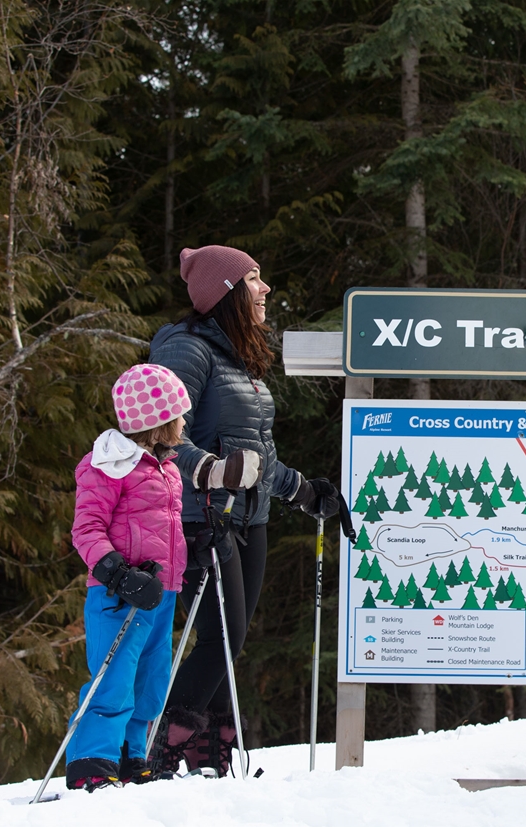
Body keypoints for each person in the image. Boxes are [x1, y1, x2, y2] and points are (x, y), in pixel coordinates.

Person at [146, 245, 339, 777]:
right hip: (200, 517)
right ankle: (159, 751)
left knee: (231, 639)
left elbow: (256, 456)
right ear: (228, 292)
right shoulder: (186, 351)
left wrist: (302, 490)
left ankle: (209, 756)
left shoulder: (240, 359)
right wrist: (210, 470)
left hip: (249, 520)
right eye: (254, 278)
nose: (265, 288)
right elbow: (158, 436)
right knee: (219, 635)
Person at [66, 364, 192, 791]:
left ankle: (130, 753)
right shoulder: (107, 465)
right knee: (114, 678)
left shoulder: (167, 468)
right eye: (179, 414)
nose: (184, 422)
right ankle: (92, 761)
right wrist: (116, 573)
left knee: (152, 681)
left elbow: (165, 528)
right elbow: (85, 530)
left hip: (161, 593)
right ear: (158, 422)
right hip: (119, 594)